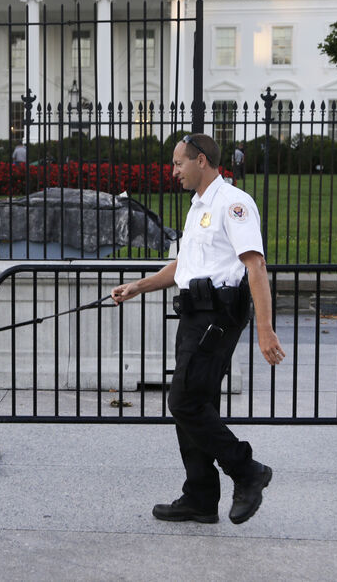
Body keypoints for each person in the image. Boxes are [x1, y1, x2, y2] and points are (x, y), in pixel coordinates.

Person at [111, 133, 284, 525]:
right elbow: (185, 267)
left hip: (216, 318)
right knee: (194, 405)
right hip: (193, 316)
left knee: (184, 402)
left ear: (201, 161)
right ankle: (201, 497)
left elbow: (255, 266)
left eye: (178, 163)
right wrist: (139, 286)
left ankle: (247, 471)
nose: (173, 171)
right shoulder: (198, 208)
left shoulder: (233, 204)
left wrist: (265, 328)